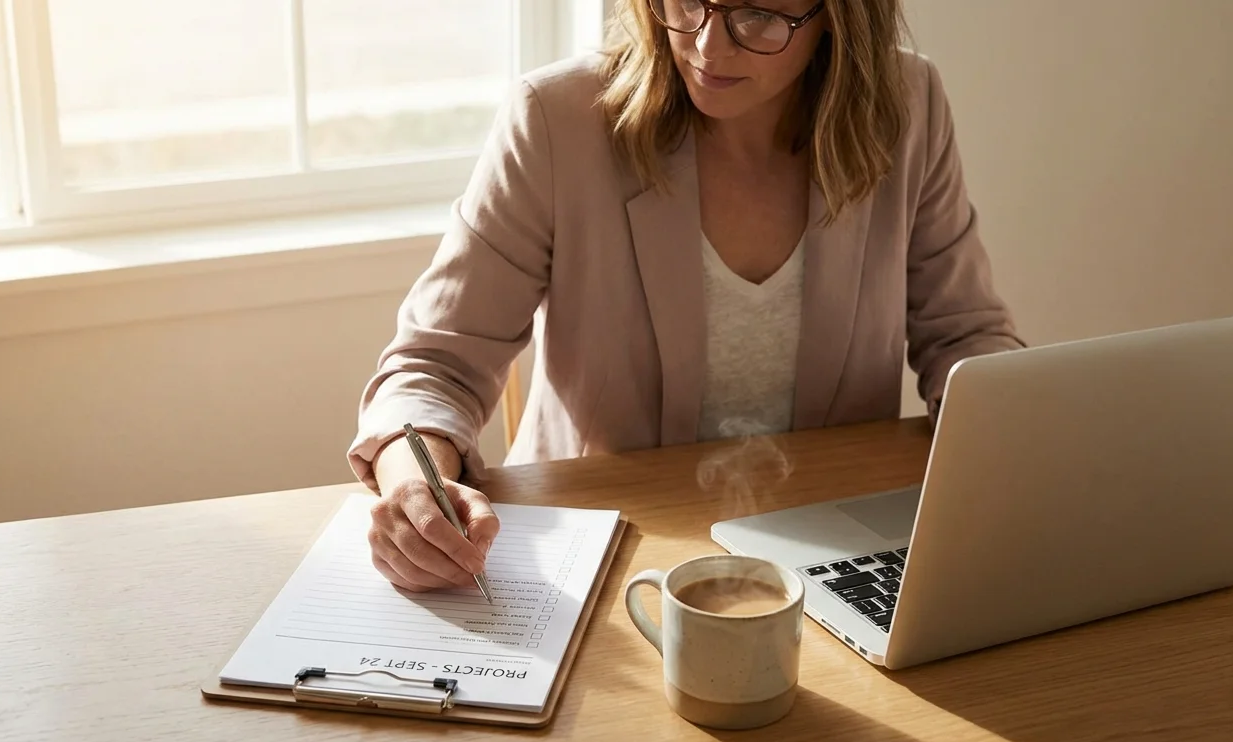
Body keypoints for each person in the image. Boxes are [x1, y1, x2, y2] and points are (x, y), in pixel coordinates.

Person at [348, 0, 1024, 592]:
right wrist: (413, 483)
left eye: (757, 15)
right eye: (688, 1)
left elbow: (964, 336)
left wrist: (1024, 445)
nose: (706, 45)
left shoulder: (908, 105)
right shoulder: (556, 121)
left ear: (838, 17)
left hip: (833, 550)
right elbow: (433, 367)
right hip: (607, 551)